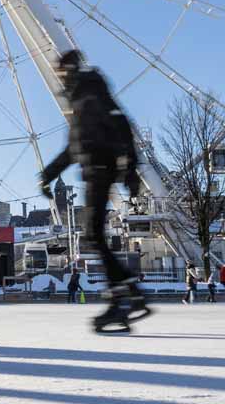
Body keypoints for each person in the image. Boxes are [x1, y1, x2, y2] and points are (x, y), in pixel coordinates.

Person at [40, 49, 149, 333]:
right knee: (93, 235)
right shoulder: (80, 98)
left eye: (61, 71)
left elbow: (120, 124)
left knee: (93, 235)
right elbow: (74, 148)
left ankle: (121, 299)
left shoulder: (89, 90)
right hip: (96, 169)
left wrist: (131, 168)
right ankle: (130, 293)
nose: (59, 76)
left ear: (69, 69)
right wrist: (48, 174)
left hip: (102, 167)